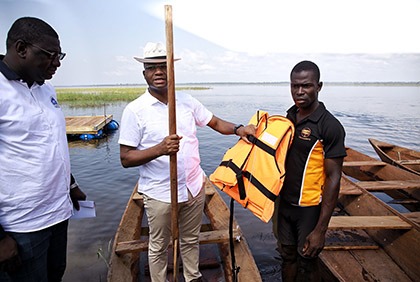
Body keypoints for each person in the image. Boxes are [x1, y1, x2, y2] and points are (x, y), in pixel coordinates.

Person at [118, 42, 256, 282]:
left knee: (190, 238)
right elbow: (126, 158)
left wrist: (238, 129)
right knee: (159, 244)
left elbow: (215, 123)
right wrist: (160, 149)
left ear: (172, 70)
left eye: (164, 66)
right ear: (144, 74)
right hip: (160, 192)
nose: (159, 72)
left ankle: (193, 277)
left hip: (193, 186)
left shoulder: (187, 101)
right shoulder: (135, 110)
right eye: (152, 67)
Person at [0, 17, 86, 282]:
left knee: (55, 275)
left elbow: (51, 143)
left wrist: (70, 185)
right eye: (50, 55)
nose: (57, 63)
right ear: (22, 48)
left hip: (58, 214)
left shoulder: (46, 88)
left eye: (60, 55)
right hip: (21, 226)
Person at [274, 60, 346, 281]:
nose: (299, 91)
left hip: (309, 209)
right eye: (295, 86)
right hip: (284, 204)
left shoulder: (329, 126)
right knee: (287, 256)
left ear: (319, 86)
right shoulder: (288, 118)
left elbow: (334, 178)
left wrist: (321, 230)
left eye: (306, 85)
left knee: (307, 261)